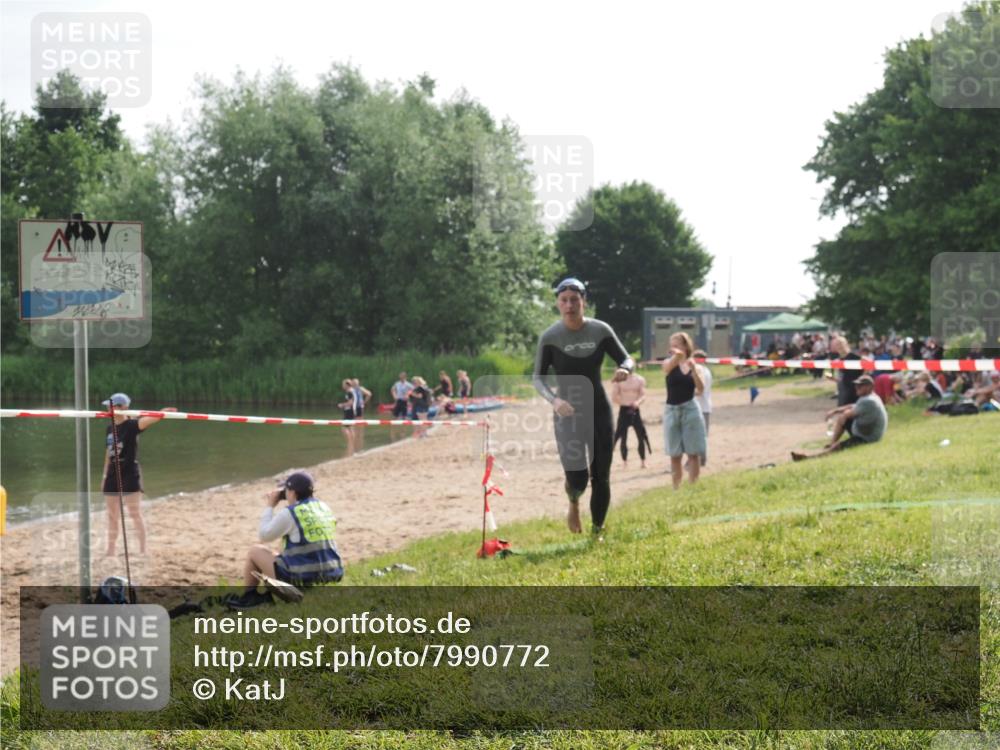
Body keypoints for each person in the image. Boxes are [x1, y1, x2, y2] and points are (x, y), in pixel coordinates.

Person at [533, 277, 634, 536]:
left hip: (599, 410)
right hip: (567, 413)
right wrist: (554, 401)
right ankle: (574, 501)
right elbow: (538, 378)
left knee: (601, 475)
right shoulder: (551, 337)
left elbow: (626, 357)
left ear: (584, 302)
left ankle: (597, 531)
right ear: (557, 304)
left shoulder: (600, 330)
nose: (569, 305)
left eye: (574, 300)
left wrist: (624, 368)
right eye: (564, 300)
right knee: (578, 478)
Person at [233, 471, 343, 609]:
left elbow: (264, 535)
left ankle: (250, 597)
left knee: (254, 552)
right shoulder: (323, 507)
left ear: (292, 493)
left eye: (286, 491)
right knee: (285, 547)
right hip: (331, 574)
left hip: (304, 579)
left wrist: (270, 506)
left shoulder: (291, 512)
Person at [101, 393, 177, 557]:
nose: (108, 409)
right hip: (112, 476)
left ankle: (143, 549)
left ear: (122, 408)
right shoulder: (109, 428)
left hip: (129, 474)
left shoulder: (131, 426)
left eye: (111, 406)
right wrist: (104, 476)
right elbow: (108, 452)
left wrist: (162, 413)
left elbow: (149, 419)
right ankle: (111, 549)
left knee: (134, 513)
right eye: (107, 406)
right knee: (112, 515)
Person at [792, 375, 887, 461]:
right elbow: (854, 406)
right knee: (842, 418)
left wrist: (841, 413)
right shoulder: (870, 396)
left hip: (867, 438)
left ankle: (808, 458)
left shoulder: (868, 401)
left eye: (860, 385)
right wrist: (835, 411)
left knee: (838, 446)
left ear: (870, 387)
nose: (856, 387)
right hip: (867, 431)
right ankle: (832, 443)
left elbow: (847, 414)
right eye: (856, 385)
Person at [662, 333, 706, 489]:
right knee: (674, 454)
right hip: (671, 410)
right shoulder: (669, 362)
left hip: (690, 409)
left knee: (693, 453)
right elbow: (667, 368)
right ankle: (676, 489)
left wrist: (693, 369)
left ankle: (693, 487)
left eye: (677, 345)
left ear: (686, 346)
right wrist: (677, 358)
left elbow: (700, 389)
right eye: (671, 345)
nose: (673, 348)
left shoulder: (696, 366)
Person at [611, 369, 651, 468]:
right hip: (624, 409)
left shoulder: (639, 379)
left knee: (641, 435)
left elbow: (643, 394)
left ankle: (643, 461)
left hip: (635, 409)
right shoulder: (619, 380)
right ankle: (624, 462)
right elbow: (614, 396)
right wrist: (623, 403)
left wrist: (638, 402)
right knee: (622, 436)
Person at [337, 379, 357, 456]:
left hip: (349, 411)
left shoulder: (349, 392)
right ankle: (352, 445)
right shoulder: (352, 391)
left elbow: (350, 403)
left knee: (344, 428)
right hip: (352, 411)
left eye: (343, 384)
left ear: (347, 385)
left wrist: (342, 405)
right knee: (351, 427)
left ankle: (350, 443)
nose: (342, 386)